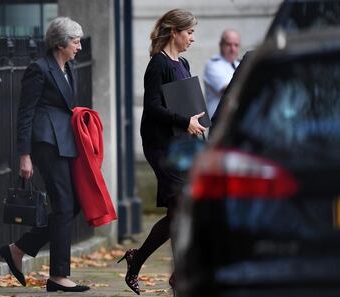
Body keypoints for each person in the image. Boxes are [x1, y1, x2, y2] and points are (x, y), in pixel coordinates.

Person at [117, 8, 207, 295]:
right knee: (180, 208)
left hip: (181, 144)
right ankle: (177, 274)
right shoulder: (158, 64)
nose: (192, 38)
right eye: (189, 32)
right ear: (174, 32)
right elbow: (153, 107)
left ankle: (140, 259)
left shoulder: (183, 63)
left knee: (180, 211)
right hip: (159, 145)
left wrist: (197, 123)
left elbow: (186, 103)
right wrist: (184, 121)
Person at [0, 16, 90, 293]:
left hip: (65, 144)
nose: (79, 48)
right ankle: (59, 276)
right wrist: (24, 155)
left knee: (72, 206)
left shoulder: (68, 68)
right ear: (60, 43)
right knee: (64, 206)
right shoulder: (39, 69)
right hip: (46, 145)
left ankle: (19, 248)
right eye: (75, 42)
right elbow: (25, 113)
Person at [203, 29, 241, 119]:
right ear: (221, 45)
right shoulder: (213, 65)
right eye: (229, 44)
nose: (233, 49)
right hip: (219, 121)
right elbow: (229, 90)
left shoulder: (239, 63)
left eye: (236, 45)